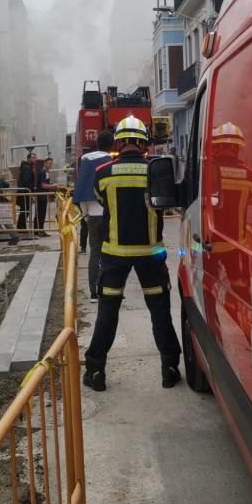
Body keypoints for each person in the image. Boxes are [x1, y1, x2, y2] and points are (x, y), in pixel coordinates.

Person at [84, 116, 181, 392]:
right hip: (151, 254)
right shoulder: (157, 171)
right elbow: (165, 205)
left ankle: (96, 371)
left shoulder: (102, 172)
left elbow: (102, 202)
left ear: (119, 142)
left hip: (113, 256)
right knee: (160, 311)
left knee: (108, 312)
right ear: (143, 143)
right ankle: (169, 369)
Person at [72, 130, 113, 301]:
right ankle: (110, 289)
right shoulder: (110, 161)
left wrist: (86, 214)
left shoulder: (86, 162)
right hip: (109, 215)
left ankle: (93, 292)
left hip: (92, 216)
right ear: (111, 144)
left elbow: (80, 190)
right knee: (111, 254)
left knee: (94, 252)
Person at [35, 157, 65, 236]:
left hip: (44, 196)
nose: (50, 165)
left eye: (51, 163)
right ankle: (37, 230)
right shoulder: (42, 172)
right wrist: (53, 186)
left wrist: (53, 185)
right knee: (40, 213)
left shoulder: (46, 172)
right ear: (44, 163)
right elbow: (43, 185)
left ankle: (40, 230)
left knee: (42, 213)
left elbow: (46, 183)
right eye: (49, 163)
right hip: (41, 196)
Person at [17, 151, 37, 232]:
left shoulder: (27, 167)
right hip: (25, 193)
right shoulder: (27, 168)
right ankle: (21, 228)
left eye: (35, 158)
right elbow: (27, 181)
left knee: (24, 210)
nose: (35, 159)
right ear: (28, 158)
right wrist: (31, 190)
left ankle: (22, 227)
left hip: (24, 192)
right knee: (26, 210)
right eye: (33, 158)